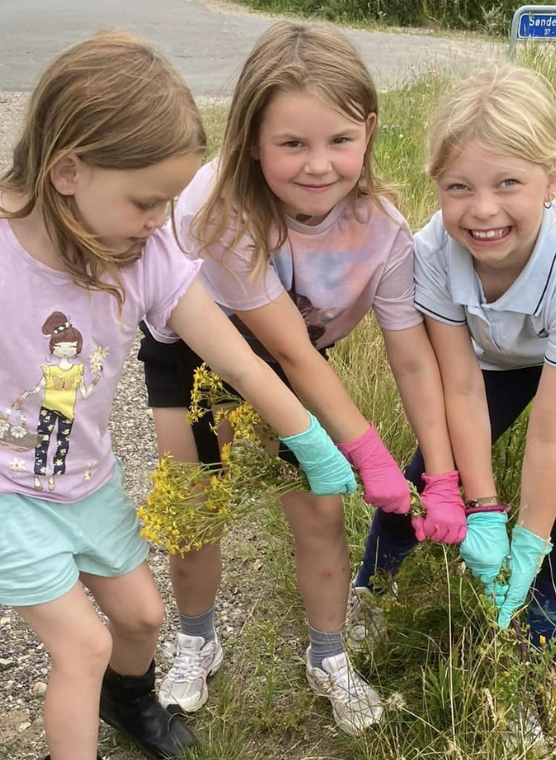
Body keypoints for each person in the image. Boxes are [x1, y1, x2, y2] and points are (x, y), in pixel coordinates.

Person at [0, 32, 355, 760]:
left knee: (142, 619)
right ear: (68, 171)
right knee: (85, 643)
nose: (163, 219)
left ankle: (129, 706)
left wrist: (311, 441)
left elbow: (244, 366)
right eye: (147, 201)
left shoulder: (146, 254)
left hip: (83, 479)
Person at [137, 20, 460, 735]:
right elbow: (283, 352)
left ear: (369, 131)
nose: (319, 165)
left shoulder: (385, 232)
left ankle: (330, 655)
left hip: (301, 360)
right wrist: (367, 453)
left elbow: (411, 356)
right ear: (250, 138)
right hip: (196, 352)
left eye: (340, 141)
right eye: (292, 144)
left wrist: (440, 474)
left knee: (318, 514)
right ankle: (196, 639)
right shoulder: (215, 211)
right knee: (195, 504)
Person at [354, 63, 556, 741]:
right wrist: (482, 507)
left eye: (507, 183)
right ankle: (374, 585)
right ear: (436, 185)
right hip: (495, 350)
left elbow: (550, 427)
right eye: (459, 187)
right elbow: (457, 386)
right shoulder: (429, 252)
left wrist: (528, 538)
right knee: (424, 473)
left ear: (554, 178)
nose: (482, 211)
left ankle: (535, 657)